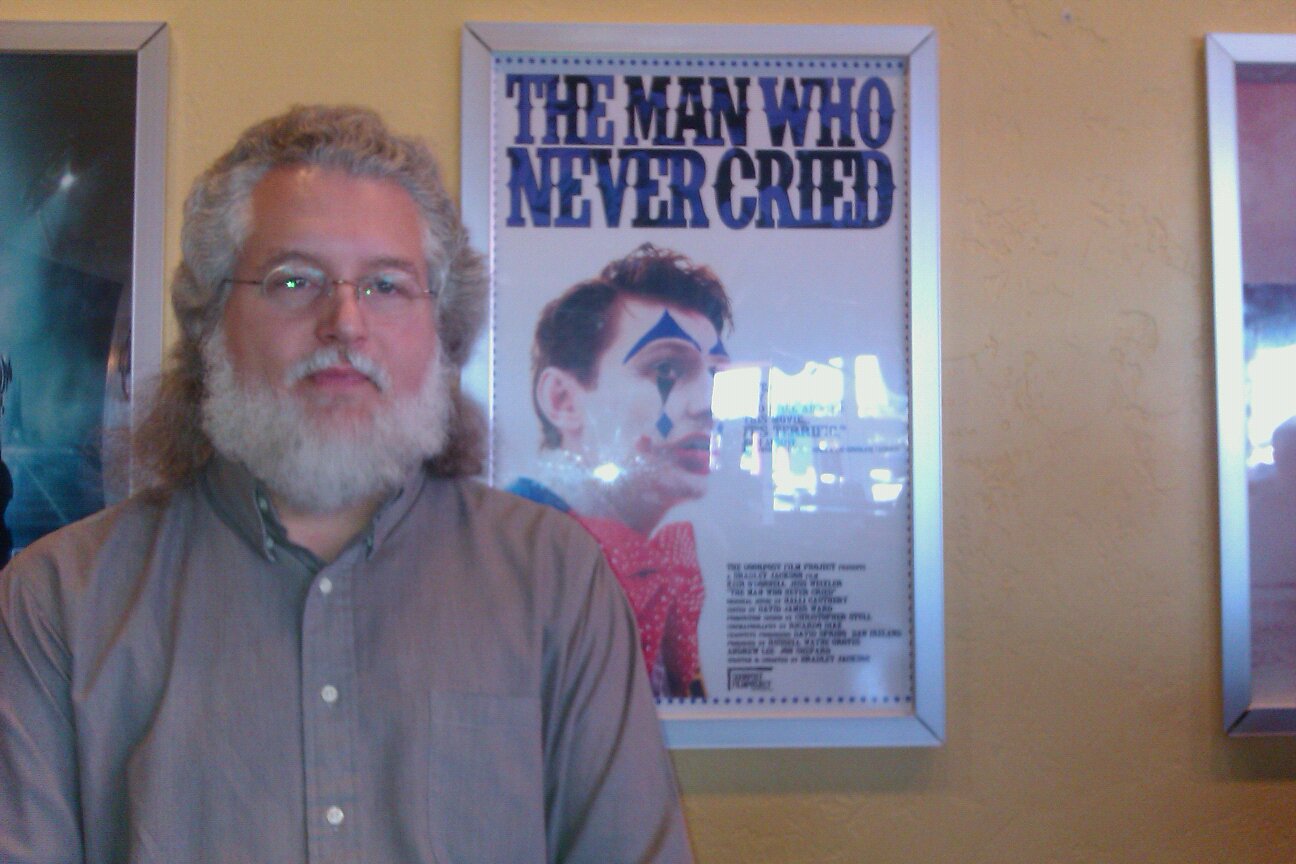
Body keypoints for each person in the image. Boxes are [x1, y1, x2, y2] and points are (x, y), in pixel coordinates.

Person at [0, 106, 691, 864]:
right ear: (209, 324)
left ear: (442, 330)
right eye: (294, 279)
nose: (345, 323)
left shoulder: (557, 579)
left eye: (387, 286)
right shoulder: (54, 602)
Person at [508, 245, 732, 700]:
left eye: (715, 376)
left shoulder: (557, 544)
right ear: (563, 401)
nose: (708, 405)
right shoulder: (509, 558)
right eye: (667, 369)